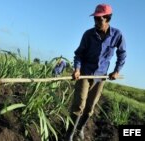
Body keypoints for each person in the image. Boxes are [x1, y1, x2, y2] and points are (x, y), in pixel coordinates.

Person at [65, 4, 127, 141]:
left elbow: (122, 54)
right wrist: (77, 69)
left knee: (90, 107)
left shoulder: (117, 35)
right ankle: (69, 134)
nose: (96, 22)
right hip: (85, 74)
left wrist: (116, 71)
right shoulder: (88, 34)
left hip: (101, 76)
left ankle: (80, 129)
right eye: (95, 19)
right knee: (79, 105)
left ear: (108, 18)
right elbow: (79, 54)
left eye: (100, 19)